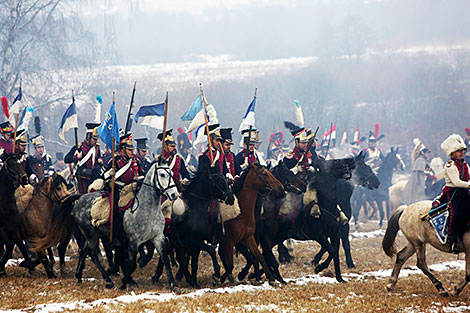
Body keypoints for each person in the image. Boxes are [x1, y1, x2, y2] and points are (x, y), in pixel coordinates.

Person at [438, 134, 470, 253]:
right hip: (453, 194)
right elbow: (456, 182)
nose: (461, 153)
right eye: (458, 151)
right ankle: (453, 241)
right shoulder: (450, 165)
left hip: (465, 193)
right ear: (452, 153)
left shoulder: (465, 164)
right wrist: (469, 185)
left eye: (462, 150)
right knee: (455, 215)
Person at [64, 123, 103, 193]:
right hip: (81, 180)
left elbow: (98, 159)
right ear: (88, 137)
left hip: (92, 178)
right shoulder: (79, 147)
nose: (96, 141)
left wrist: (100, 160)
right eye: (94, 139)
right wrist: (76, 157)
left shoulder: (96, 148)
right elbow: (66, 159)